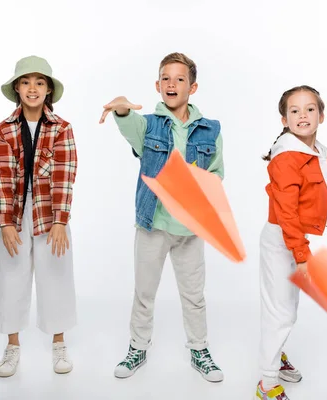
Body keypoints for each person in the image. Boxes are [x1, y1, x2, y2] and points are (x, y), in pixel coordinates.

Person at [99, 52, 225, 382]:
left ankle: (199, 349)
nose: (172, 83)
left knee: (194, 296)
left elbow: (217, 174)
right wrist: (122, 109)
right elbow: (131, 127)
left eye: (179, 78)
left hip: (190, 229)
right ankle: (137, 347)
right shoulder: (150, 125)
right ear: (157, 85)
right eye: (165, 78)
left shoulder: (210, 130)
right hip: (153, 225)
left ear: (192, 87)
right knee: (144, 293)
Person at [254, 85, 327, 399]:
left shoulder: (317, 151)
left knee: (288, 310)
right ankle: (267, 383)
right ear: (284, 118)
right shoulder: (287, 157)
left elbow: (313, 196)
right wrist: (301, 254)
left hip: (294, 238)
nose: (303, 116)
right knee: (279, 313)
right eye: (294, 111)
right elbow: (286, 211)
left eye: (310, 109)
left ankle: (276, 355)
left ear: (321, 115)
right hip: (282, 239)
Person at [0, 55, 78, 378]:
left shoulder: (61, 129)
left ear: (49, 89)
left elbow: (65, 174)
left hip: (49, 211)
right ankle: (12, 346)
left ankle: (59, 343)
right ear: (16, 89)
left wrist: (61, 220)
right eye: (25, 82)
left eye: (39, 82)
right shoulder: (3, 130)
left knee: (56, 272)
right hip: (14, 212)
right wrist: (5, 222)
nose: (32, 88)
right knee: (11, 274)